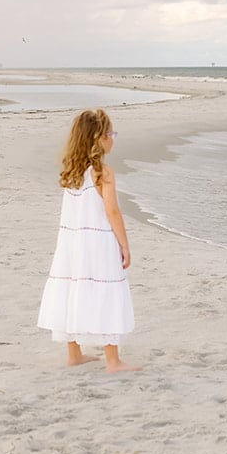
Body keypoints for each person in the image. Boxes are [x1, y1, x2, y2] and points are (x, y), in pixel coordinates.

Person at [36, 108, 139, 372]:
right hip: (98, 243)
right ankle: (112, 361)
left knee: (72, 289)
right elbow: (112, 211)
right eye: (110, 133)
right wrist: (124, 245)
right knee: (105, 291)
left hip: (72, 243)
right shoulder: (102, 172)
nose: (113, 138)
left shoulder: (71, 170)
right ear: (98, 138)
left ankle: (74, 354)